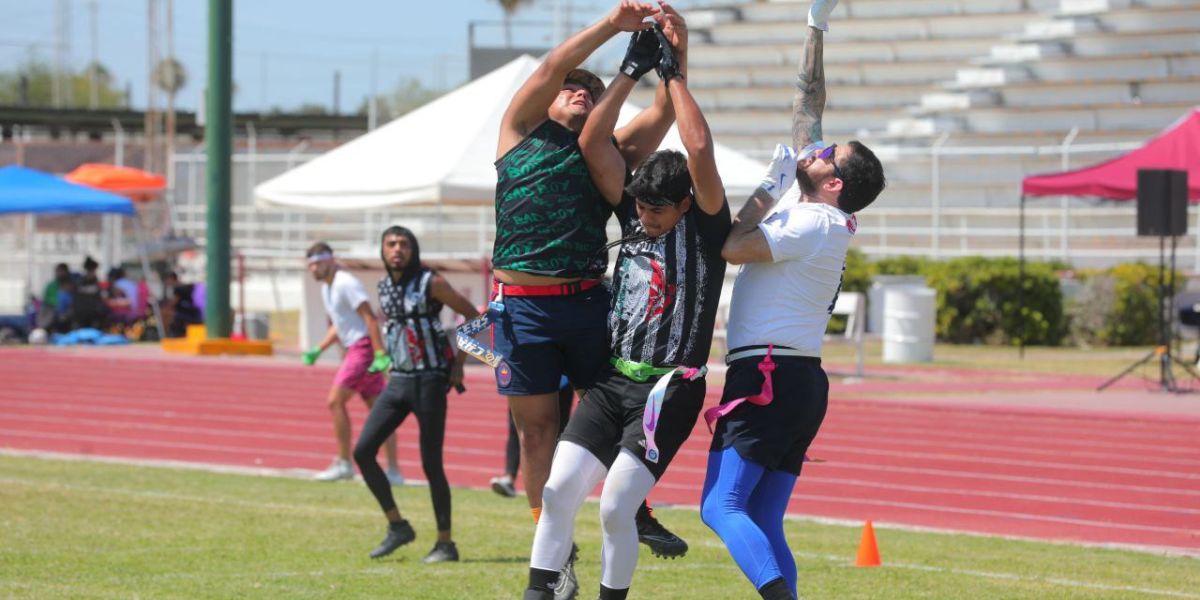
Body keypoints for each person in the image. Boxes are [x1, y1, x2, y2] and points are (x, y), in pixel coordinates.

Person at [524, 10, 727, 599]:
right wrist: (632, 69)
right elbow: (593, 142)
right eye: (639, 207)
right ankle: (541, 592)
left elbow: (696, 142)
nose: (644, 217)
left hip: (670, 389)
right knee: (559, 491)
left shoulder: (706, 230)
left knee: (616, 505)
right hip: (613, 382)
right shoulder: (634, 217)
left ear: (686, 204)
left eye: (657, 210)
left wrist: (676, 73)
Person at [488, 1, 682, 596]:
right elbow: (551, 65)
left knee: (623, 409)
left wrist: (678, 47)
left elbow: (665, 110)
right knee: (536, 434)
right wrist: (611, 28)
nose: (578, 89)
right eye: (571, 87)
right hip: (523, 308)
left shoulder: (608, 151)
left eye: (589, 88)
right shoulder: (519, 132)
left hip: (589, 306)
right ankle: (558, 553)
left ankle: (635, 509)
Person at [699, 3, 887, 599]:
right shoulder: (819, 211)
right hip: (799, 379)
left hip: (769, 375)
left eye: (829, 155)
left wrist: (764, 189)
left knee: (721, 507)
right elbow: (809, 106)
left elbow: (732, 246)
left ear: (832, 183)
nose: (819, 147)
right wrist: (816, 23)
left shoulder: (813, 223)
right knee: (765, 517)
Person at [353, 226, 480, 562]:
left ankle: (445, 543)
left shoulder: (431, 282)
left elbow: (472, 315)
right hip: (398, 381)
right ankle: (398, 526)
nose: (397, 249)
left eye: (404, 244)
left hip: (429, 381)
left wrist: (458, 363)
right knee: (363, 451)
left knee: (430, 463)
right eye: (391, 244)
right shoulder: (383, 286)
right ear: (382, 250)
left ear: (414, 249)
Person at [302, 242, 403, 486]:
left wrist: (380, 353)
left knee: (335, 401)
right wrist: (318, 349)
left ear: (331, 260)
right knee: (380, 412)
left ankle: (344, 463)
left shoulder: (346, 283)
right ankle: (393, 471)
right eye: (311, 265)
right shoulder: (327, 288)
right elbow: (340, 324)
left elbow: (369, 317)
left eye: (318, 263)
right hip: (355, 349)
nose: (314, 268)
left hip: (363, 348)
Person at [490, 376, 574, 499]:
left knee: (558, 431)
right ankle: (509, 477)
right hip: (525, 375)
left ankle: (555, 482)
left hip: (562, 378)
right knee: (520, 429)